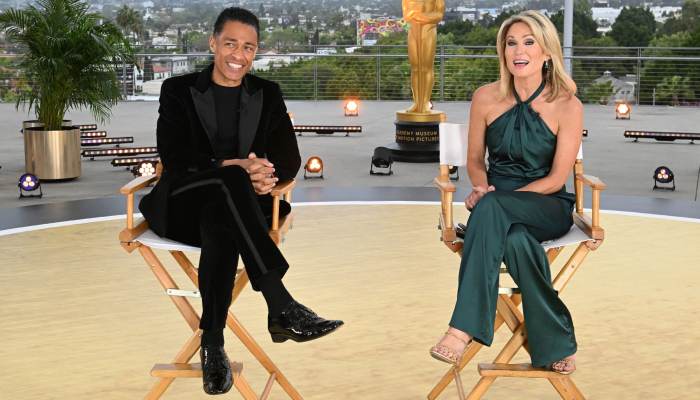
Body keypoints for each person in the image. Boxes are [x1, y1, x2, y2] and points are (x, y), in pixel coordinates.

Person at [138, 7, 343, 395]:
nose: (239, 54)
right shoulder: (178, 90)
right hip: (182, 206)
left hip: (238, 212)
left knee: (222, 218)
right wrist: (233, 167)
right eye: (230, 44)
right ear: (213, 43)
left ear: (256, 51)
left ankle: (212, 344)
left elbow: (288, 160)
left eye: (248, 47)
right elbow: (176, 159)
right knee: (230, 182)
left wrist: (266, 177)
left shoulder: (266, 93)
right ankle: (280, 304)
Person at [429, 10, 584, 374]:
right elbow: (474, 160)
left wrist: (494, 200)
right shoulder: (485, 97)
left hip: (546, 204)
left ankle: (462, 329)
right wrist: (481, 186)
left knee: (495, 210)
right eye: (511, 43)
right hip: (494, 204)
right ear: (503, 51)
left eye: (529, 42)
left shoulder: (568, 105)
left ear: (547, 52)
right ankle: (556, 342)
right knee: (514, 240)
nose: (519, 51)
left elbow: (556, 178)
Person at [402, 0, 445, 113]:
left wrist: (419, 16)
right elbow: (406, 15)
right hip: (413, 31)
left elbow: (439, 14)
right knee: (415, 68)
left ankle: (425, 102)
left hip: (428, 30)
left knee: (426, 68)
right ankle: (417, 102)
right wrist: (417, 16)